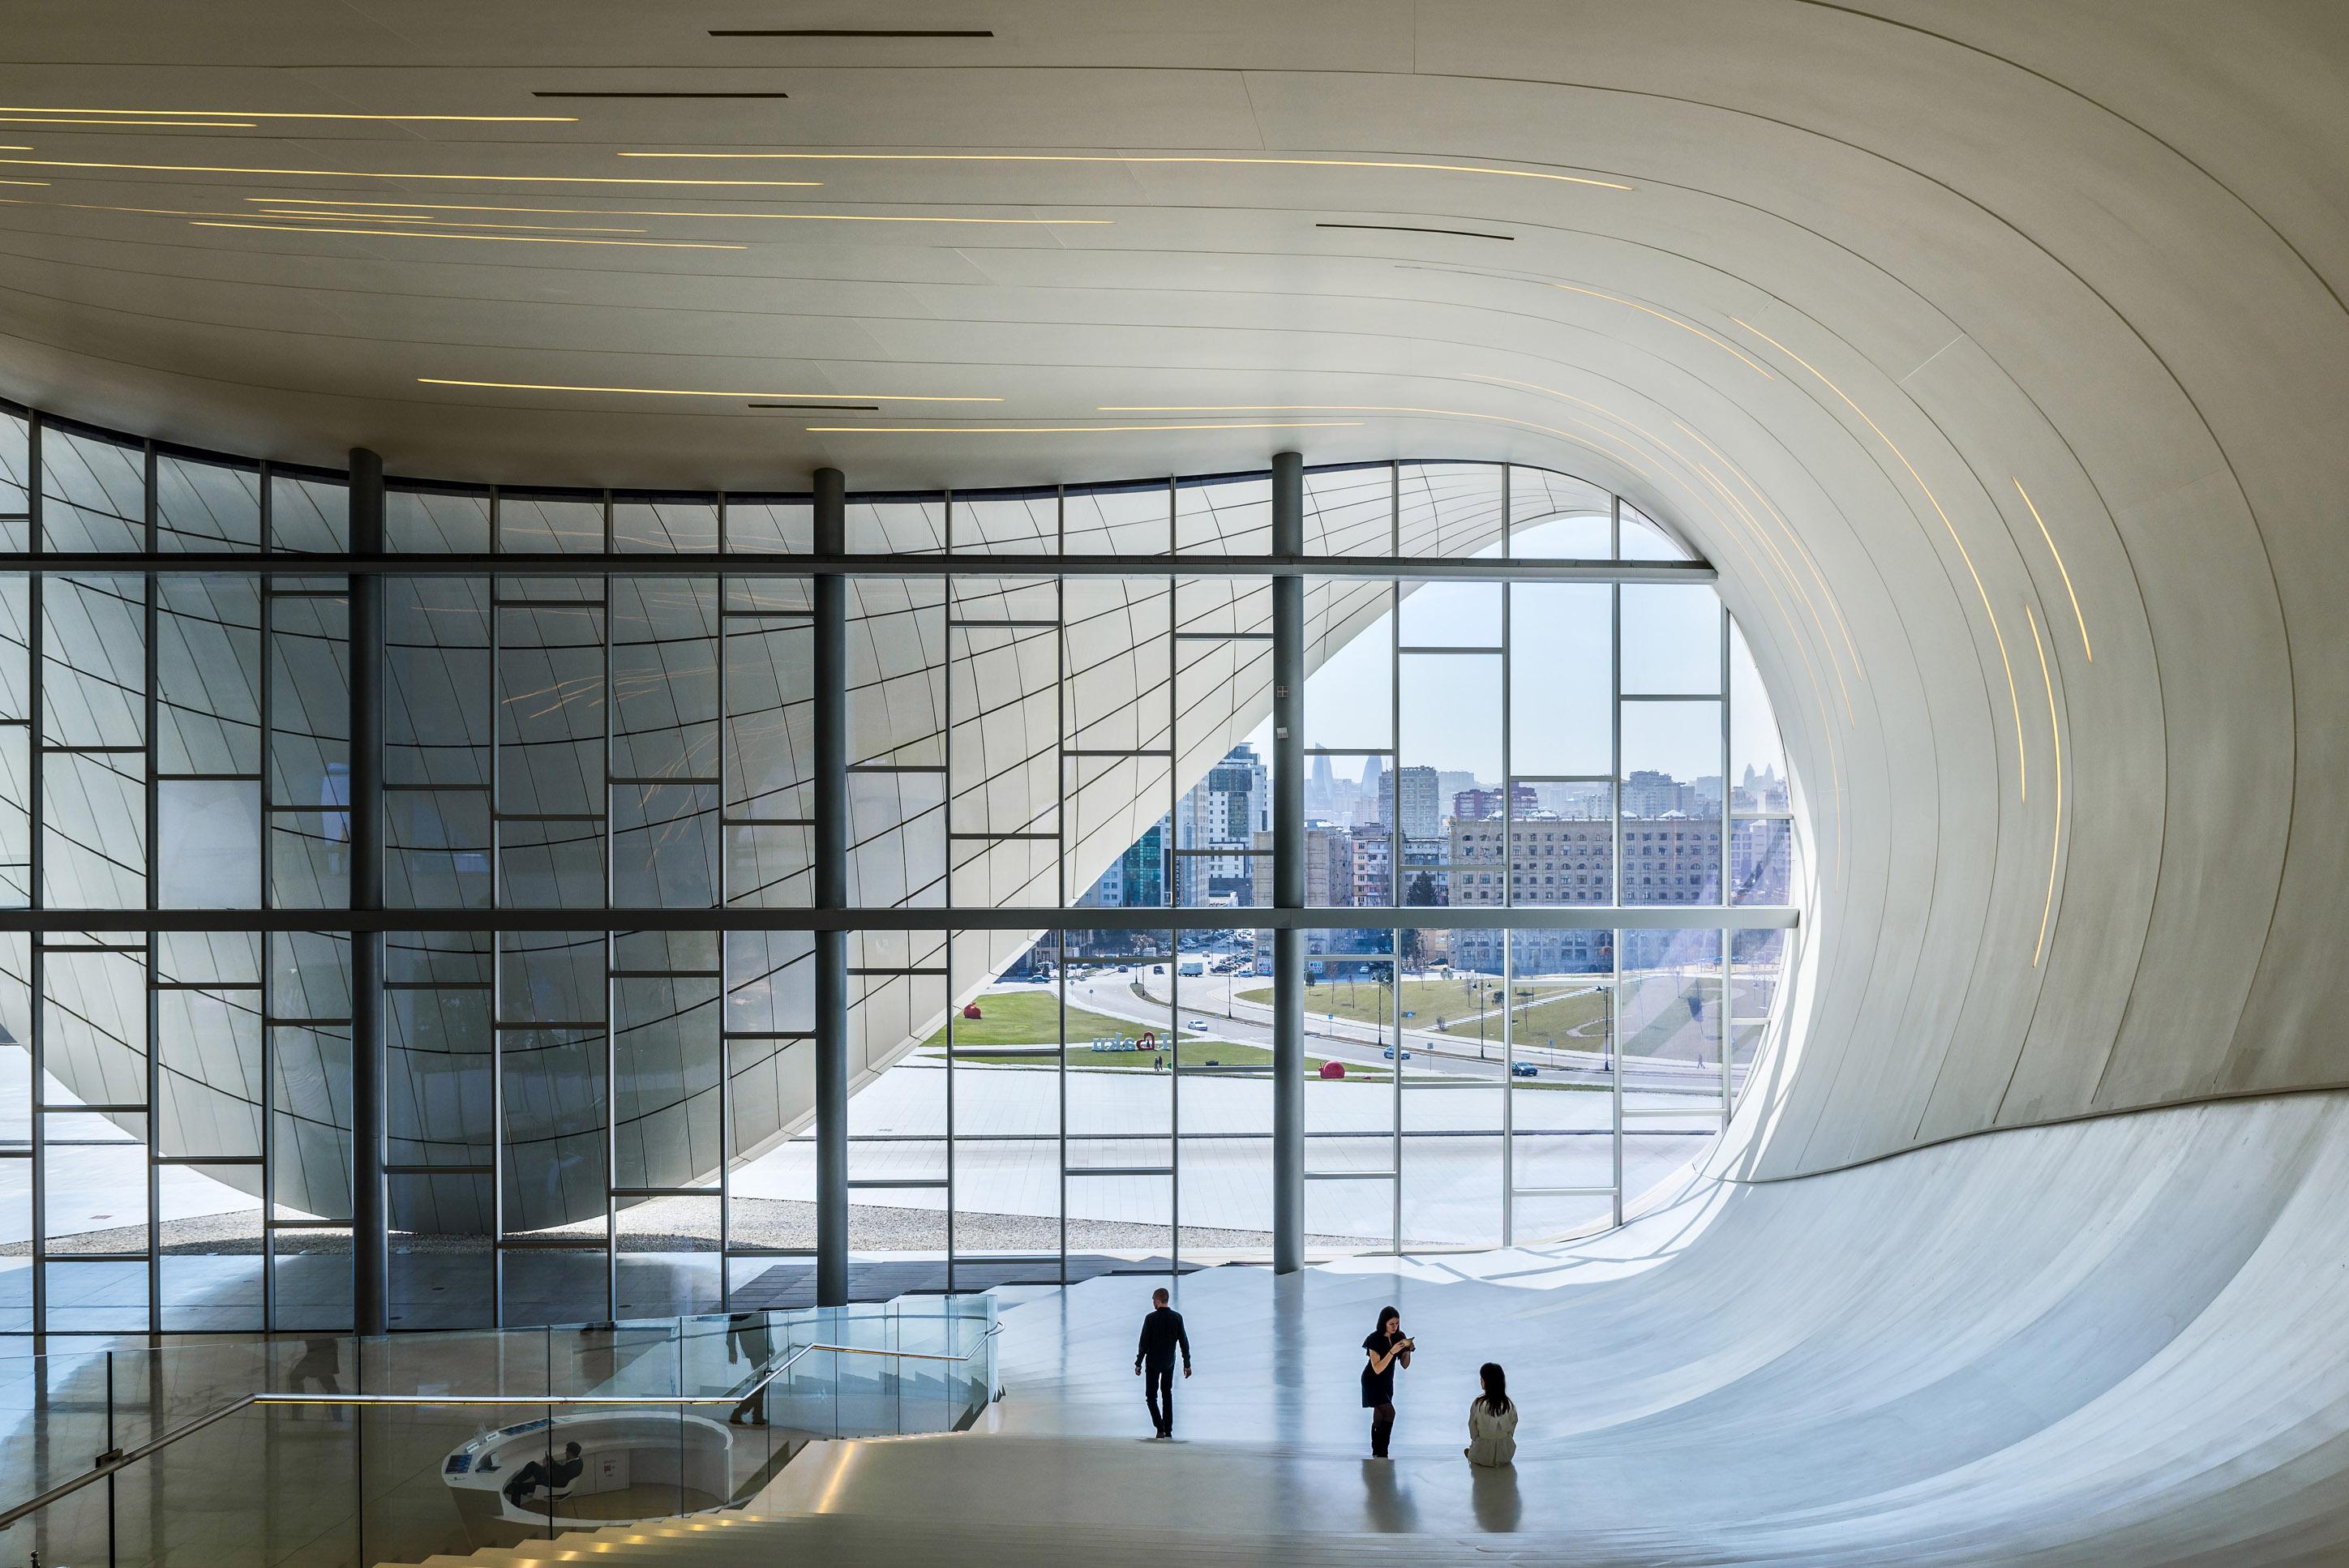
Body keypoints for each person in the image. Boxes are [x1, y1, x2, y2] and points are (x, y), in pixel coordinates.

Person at [1132, 1286, 1192, 1437]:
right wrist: (1187, 1364)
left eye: (1153, 1300)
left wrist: (1138, 1362)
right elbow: (1184, 1342)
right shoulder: (1177, 1318)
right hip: (1169, 1363)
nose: (1153, 1302)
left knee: (1151, 1397)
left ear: (1158, 1300)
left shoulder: (1150, 1319)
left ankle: (1160, 1428)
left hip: (1152, 1363)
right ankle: (1169, 1429)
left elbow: (1144, 1343)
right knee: (1167, 1394)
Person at [1361, 1305, 1413, 1459]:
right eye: (1391, 1324)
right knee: (1390, 1412)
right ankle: (1383, 1451)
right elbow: (1377, 1368)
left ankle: (1376, 1450)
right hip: (1372, 1380)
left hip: (1386, 1382)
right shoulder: (1374, 1339)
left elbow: (1405, 1365)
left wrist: (1407, 1351)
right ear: (1383, 1323)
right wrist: (1392, 1351)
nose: (1395, 1327)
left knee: (1380, 1414)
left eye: (1397, 1323)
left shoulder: (1399, 1336)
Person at [502, 1441, 584, 1510]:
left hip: (551, 1485)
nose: (565, 1453)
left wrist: (547, 1469)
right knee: (533, 1465)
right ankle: (514, 1483)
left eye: (567, 1452)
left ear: (570, 1453)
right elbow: (562, 1471)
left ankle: (515, 1505)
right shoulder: (579, 1461)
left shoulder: (571, 1468)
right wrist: (552, 1464)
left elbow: (557, 1477)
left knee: (520, 1485)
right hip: (558, 1482)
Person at [1464, 1361, 1517, 1467]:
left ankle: (1472, 1453)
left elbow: (1473, 1430)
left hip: (1483, 1454)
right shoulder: (1508, 1404)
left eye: (1482, 1378)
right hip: (1506, 1454)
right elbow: (1513, 1425)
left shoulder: (1478, 1404)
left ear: (1485, 1381)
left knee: (1475, 1448)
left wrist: (1478, 1440)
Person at [726, 1312, 770, 1426]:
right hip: (754, 1347)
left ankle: (756, 1416)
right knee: (762, 1382)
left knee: (762, 1381)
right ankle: (742, 1412)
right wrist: (732, 1350)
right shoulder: (744, 1308)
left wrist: (770, 1345)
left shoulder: (759, 1304)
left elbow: (766, 1324)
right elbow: (732, 1327)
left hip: (761, 1346)